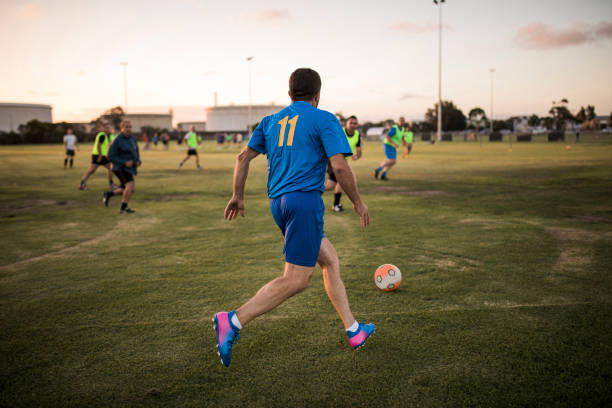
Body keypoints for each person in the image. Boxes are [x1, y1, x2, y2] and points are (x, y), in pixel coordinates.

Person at [214, 68, 374, 368]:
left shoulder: (270, 121)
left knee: (329, 259)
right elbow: (339, 167)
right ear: (317, 95)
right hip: (304, 202)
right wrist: (357, 202)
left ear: (289, 94)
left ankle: (353, 330)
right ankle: (233, 321)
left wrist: (238, 195)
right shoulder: (325, 118)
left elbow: (242, 158)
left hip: (278, 204)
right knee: (297, 280)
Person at [325, 115, 362, 212]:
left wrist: (356, 156)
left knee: (330, 185)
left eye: (355, 123)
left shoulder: (357, 135)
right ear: (346, 123)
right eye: (351, 123)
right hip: (334, 161)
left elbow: (359, 152)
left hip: (343, 162)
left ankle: (310, 190)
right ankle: (336, 205)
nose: (353, 125)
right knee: (342, 180)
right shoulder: (339, 132)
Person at [103, 120, 141, 214]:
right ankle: (123, 208)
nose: (128, 129)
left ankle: (108, 194)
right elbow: (110, 156)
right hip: (119, 168)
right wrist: (124, 162)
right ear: (121, 128)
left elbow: (136, 151)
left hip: (129, 167)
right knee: (129, 185)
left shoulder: (132, 138)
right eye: (126, 127)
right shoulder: (117, 140)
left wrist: (138, 161)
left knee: (130, 189)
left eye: (130, 127)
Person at [78, 122, 116, 190]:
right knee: (94, 170)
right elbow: (98, 145)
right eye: (106, 128)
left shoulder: (106, 135)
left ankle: (82, 184)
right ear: (103, 128)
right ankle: (111, 184)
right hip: (99, 155)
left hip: (100, 156)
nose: (108, 129)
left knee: (94, 170)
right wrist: (100, 156)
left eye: (108, 128)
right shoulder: (102, 135)